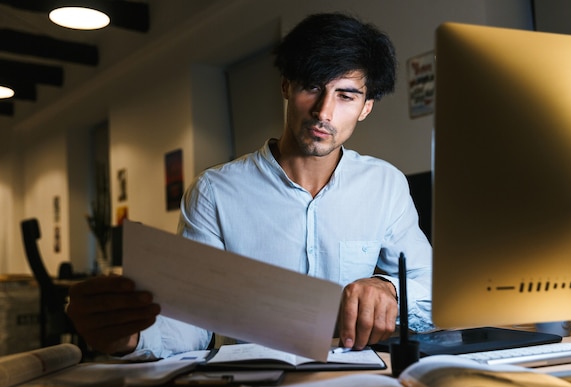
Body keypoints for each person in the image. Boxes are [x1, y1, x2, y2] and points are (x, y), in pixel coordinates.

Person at [67, 12, 433, 359]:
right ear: (287, 85)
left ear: (366, 107)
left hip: (355, 381)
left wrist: (388, 289)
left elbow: (432, 290)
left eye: (346, 95)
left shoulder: (386, 185)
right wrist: (130, 337)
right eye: (313, 86)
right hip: (253, 384)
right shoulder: (214, 192)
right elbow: (192, 318)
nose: (324, 112)